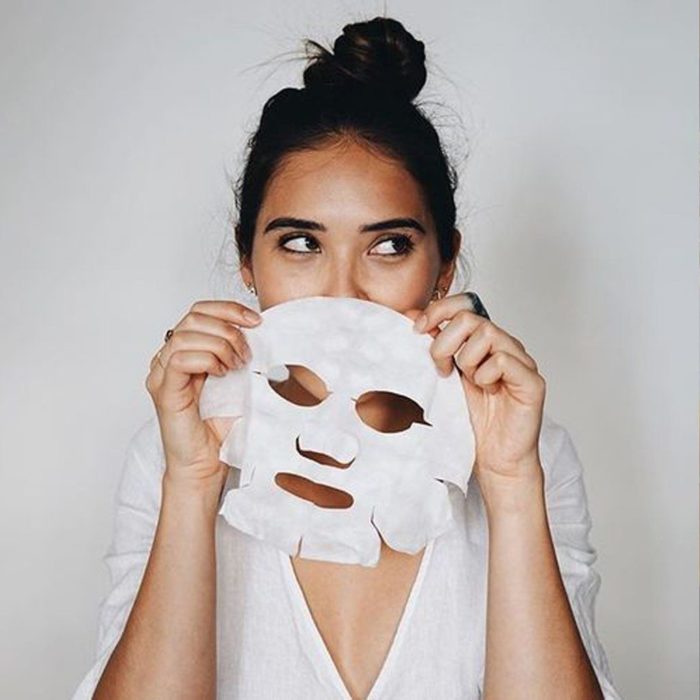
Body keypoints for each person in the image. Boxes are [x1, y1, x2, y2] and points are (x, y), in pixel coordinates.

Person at [71, 15, 622, 700]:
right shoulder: (176, 455)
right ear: (247, 263)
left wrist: (511, 485)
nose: (343, 294)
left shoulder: (525, 456)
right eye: (301, 244)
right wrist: (191, 485)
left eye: (388, 246)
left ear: (444, 266)